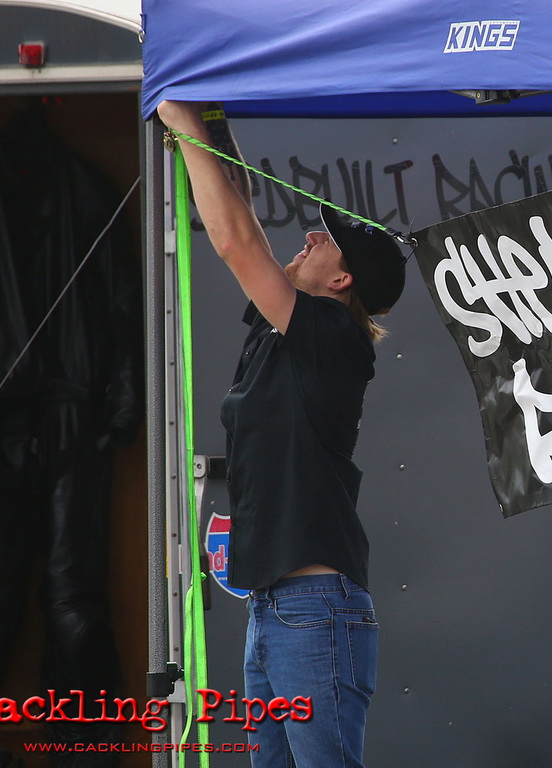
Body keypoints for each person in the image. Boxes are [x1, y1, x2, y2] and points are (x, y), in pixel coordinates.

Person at [157, 100, 407, 768]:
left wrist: (183, 125)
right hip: (277, 608)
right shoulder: (283, 331)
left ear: (342, 280)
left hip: (315, 611)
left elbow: (237, 243)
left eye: (326, 242)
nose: (310, 238)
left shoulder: (335, 337)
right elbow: (239, 213)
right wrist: (211, 125)